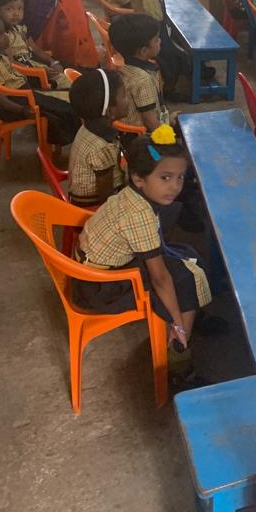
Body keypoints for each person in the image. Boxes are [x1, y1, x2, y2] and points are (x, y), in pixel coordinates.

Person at [72, 126, 212, 387]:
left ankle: (194, 313)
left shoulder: (132, 196)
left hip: (96, 267)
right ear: (139, 179)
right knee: (182, 279)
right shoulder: (140, 215)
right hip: (100, 287)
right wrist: (176, 320)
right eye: (165, 178)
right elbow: (159, 278)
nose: (175, 187)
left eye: (180, 177)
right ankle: (178, 360)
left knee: (188, 254)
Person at [0, 11, 79, 147]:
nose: (6, 36)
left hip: (23, 94)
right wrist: (22, 110)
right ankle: (64, 142)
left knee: (68, 99)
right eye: (1, 35)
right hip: (13, 105)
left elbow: (14, 65)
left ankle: (68, 138)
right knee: (62, 109)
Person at [0, 0, 70, 90]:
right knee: (66, 85)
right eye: (10, 9)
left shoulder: (20, 29)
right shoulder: (2, 37)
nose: (16, 13)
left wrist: (53, 62)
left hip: (36, 65)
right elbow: (11, 64)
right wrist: (39, 71)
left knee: (69, 70)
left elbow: (36, 50)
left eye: (20, 8)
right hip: (26, 74)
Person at [67, 69, 129, 208]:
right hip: (92, 206)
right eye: (124, 95)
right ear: (110, 111)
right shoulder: (102, 146)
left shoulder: (88, 126)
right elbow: (106, 196)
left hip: (82, 196)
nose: (128, 99)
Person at [108, 13, 168, 131]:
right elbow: (150, 121)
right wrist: (168, 136)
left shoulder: (125, 68)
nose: (160, 41)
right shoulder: (143, 80)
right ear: (144, 51)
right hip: (143, 134)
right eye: (156, 40)